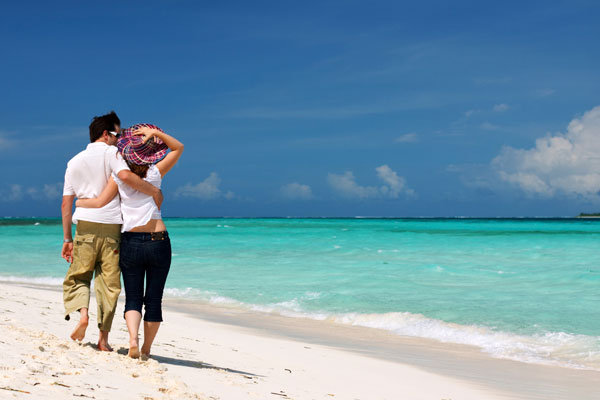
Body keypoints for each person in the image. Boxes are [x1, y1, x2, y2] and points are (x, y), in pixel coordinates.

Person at [76, 123, 183, 359]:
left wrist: (80, 203)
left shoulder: (120, 176)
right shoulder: (155, 172)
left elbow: (100, 202)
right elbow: (178, 148)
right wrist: (155, 134)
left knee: (133, 297)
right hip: (158, 239)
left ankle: (132, 339)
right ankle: (145, 349)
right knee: (154, 298)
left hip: (131, 241)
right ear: (151, 153)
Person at [61, 112, 164, 351]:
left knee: (78, 276)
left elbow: (67, 204)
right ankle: (103, 340)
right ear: (106, 134)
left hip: (84, 225)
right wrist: (153, 191)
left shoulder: (74, 161)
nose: (120, 140)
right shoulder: (114, 154)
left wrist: (67, 238)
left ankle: (83, 315)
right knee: (109, 284)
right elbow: (125, 176)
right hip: (112, 228)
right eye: (117, 134)